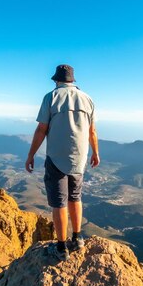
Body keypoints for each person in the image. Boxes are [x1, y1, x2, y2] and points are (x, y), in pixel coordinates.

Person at [25, 64, 100, 260]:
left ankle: (61, 247)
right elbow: (92, 131)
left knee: (59, 202)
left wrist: (31, 154)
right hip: (79, 157)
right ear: (72, 80)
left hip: (56, 157)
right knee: (75, 197)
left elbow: (42, 129)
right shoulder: (88, 99)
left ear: (56, 80)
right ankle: (77, 238)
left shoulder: (51, 97)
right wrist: (95, 153)